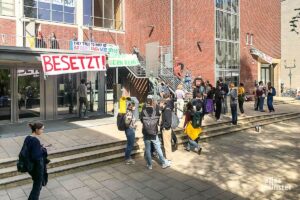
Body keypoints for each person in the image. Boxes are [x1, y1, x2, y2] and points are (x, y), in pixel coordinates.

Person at [141, 95, 171, 170]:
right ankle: (163, 163)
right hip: (154, 131)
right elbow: (158, 120)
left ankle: (149, 165)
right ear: (152, 101)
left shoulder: (143, 110)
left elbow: (141, 120)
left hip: (146, 131)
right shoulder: (156, 109)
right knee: (158, 147)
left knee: (147, 149)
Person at [22, 122, 49, 200]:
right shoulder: (35, 140)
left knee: (38, 185)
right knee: (37, 187)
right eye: (42, 129)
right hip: (37, 168)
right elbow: (36, 156)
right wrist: (43, 150)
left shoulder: (28, 137)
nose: (42, 131)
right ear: (36, 129)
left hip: (31, 167)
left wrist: (39, 147)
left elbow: (29, 150)